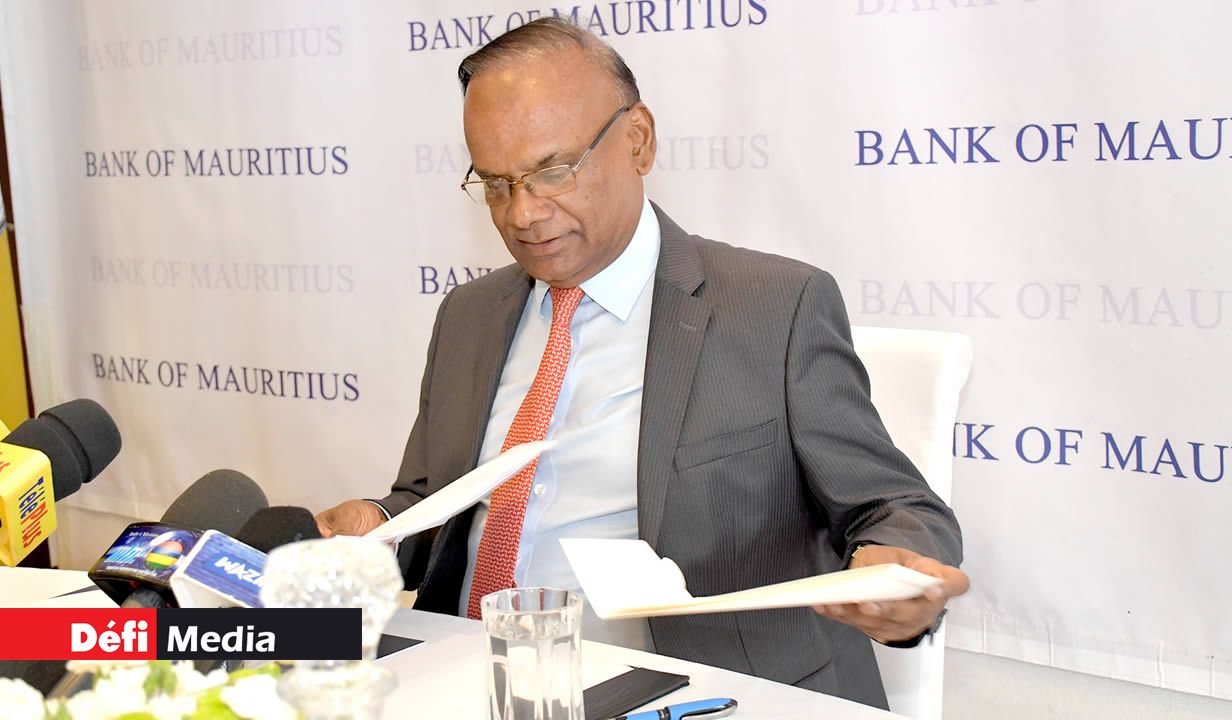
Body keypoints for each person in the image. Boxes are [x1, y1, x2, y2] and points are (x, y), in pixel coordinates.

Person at [316, 17, 968, 709]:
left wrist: (892, 570)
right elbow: (431, 502)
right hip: (467, 675)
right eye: (497, 184)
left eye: (552, 172)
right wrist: (378, 524)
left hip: (688, 688)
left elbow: (894, 507)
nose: (522, 213)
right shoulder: (468, 315)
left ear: (637, 140)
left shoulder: (774, 307)